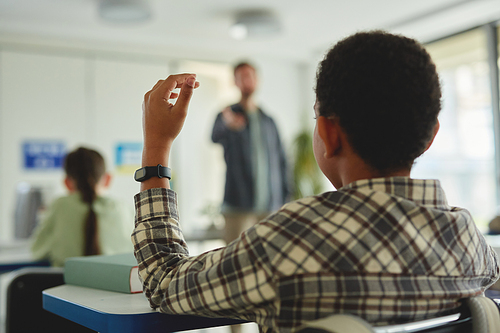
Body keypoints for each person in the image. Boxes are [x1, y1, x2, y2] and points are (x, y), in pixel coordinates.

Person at [132, 31, 500, 332]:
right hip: (239, 202)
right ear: (430, 135)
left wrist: (156, 149)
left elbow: (164, 283)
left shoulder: (288, 241)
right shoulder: (471, 244)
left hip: (266, 207)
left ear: (327, 131)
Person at [211, 62, 290, 245]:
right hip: (237, 206)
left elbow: (282, 160)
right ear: (235, 82)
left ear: (257, 80)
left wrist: (286, 198)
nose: (247, 81)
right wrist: (227, 125)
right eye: (241, 77)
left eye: (250, 76)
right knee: (234, 262)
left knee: (270, 260)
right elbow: (214, 136)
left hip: (270, 207)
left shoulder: (269, 121)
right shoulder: (227, 115)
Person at [31, 147, 133, 267]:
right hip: (116, 283)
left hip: (65, 282)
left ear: (67, 183)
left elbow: (37, 251)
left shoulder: (60, 206)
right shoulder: (123, 208)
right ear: (108, 179)